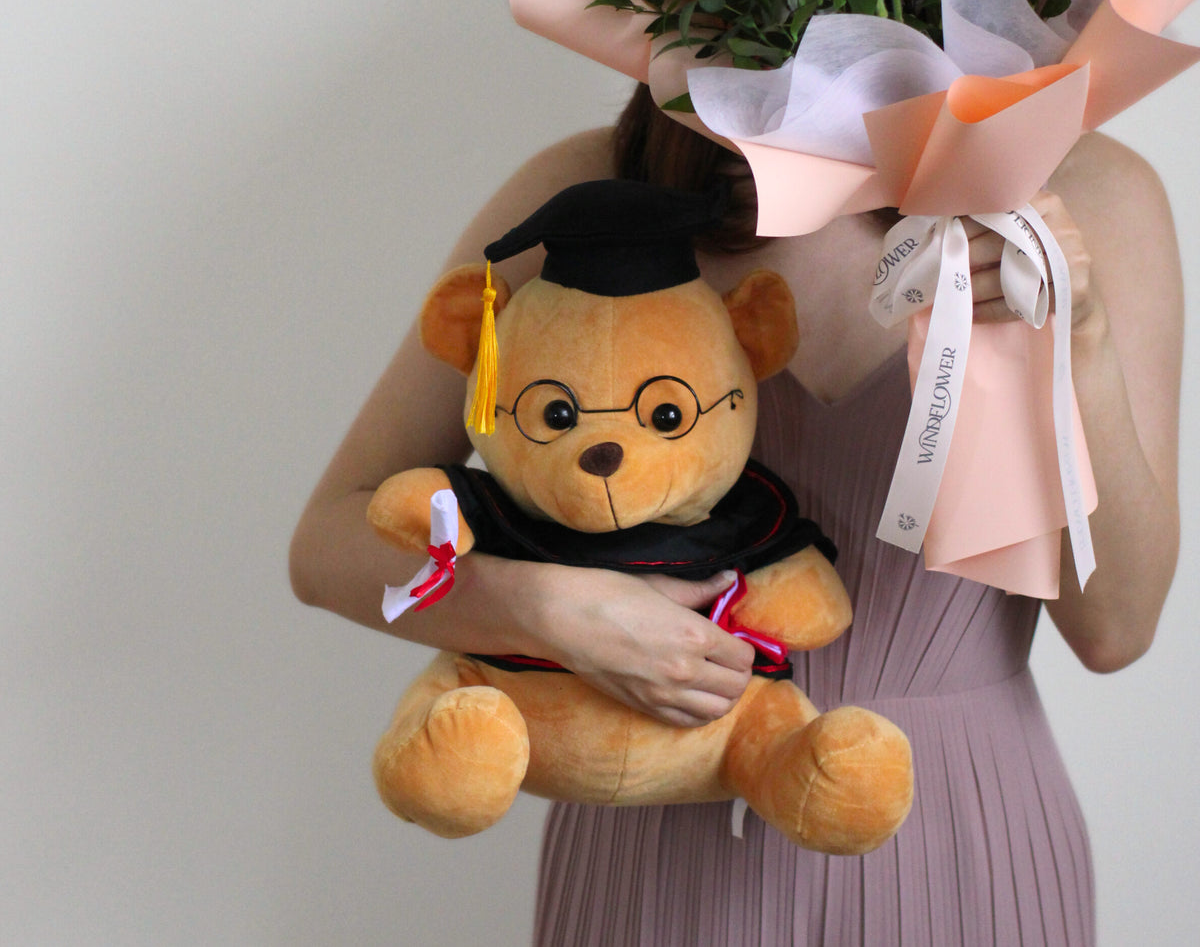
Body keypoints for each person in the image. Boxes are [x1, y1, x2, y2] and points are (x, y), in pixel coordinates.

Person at [289, 82, 1181, 947]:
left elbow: (1115, 630)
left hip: (959, 833)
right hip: (657, 835)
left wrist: (1081, 335)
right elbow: (329, 542)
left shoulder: (1080, 191)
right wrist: (549, 610)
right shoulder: (590, 197)